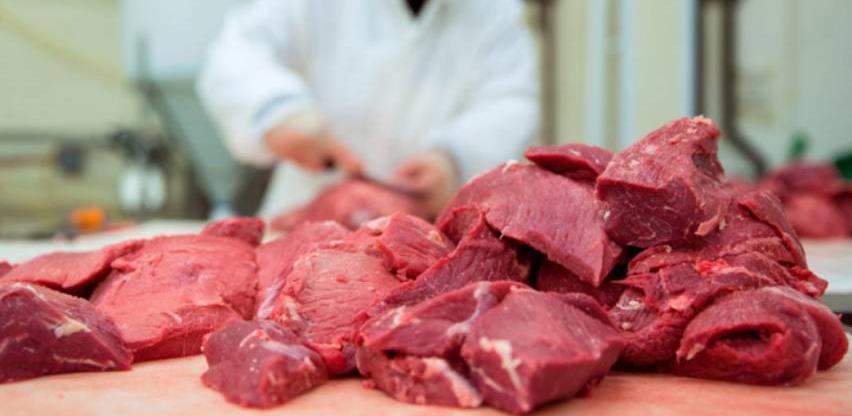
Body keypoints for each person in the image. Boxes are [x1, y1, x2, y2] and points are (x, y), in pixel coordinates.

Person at [198, 0, 540, 218]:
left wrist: (452, 159)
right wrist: (281, 112)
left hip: (427, 232)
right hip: (306, 218)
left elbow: (510, 100)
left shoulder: (493, 10)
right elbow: (236, 54)